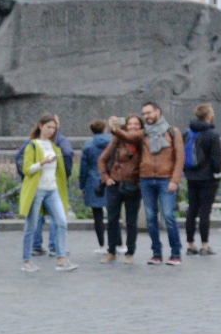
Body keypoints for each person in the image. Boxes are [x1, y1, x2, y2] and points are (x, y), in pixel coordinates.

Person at [18, 113, 78, 272]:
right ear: (40, 126)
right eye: (48, 127)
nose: (51, 130)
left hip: (52, 189)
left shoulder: (55, 146)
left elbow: (60, 171)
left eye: (54, 128)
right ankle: (26, 260)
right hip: (37, 190)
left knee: (62, 221)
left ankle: (62, 258)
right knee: (31, 225)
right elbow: (27, 169)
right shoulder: (32, 145)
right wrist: (42, 163)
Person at [137, 100, 184, 266]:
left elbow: (180, 157)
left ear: (158, 111)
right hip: (146, 179)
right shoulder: (143, 133)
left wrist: (175, 180)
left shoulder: (172, 132)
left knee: (169, 216)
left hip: (166, 180)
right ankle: (156, 253)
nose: (146, 116)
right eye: (144, 114)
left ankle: (175, 252)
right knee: (150, 218)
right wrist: (114, 127)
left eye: (149, 113)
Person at [99, 115, 144, 261]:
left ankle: (130, 253)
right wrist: (106, 178)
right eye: (130, 124)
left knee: (131, 222)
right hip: (115, 184)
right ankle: (111, 251)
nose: (132, 126)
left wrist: (114, 128)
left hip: (133, 185)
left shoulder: (143, 139)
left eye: (136, 124)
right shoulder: (118, 139)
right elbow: (102, 159)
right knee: (112, 219)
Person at [184, 103, 221, 255]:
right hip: (207, 178)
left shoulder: (187, 133)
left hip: (191, 177)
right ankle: (205, 245)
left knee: (192, 210)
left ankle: (190, 245)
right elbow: (216, 159)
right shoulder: (212, 134)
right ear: (209, 116)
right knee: (205, 212)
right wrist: (217, 173)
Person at [78, 118, 113, 254]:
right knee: (113, 214)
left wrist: (82, 185)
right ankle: (119, 244)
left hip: (93, 181)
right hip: (110, 179)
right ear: (105, 129)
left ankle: (102, 246)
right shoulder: (113, 142)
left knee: (97, 216)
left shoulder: (88, 146)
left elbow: (83, 169)